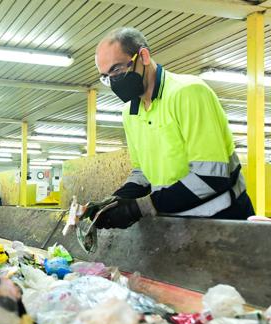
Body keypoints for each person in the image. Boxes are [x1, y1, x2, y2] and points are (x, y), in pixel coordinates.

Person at [92, 27, 254, 229]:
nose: (114, 81)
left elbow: (211, 177)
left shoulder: (189, 93)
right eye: (106, 76)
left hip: (225, 223)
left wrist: (138, 208)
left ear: (143, 56)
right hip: (177, 223)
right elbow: (143, 172)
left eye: (117, 69)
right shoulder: (130, 112)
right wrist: (116, 201)